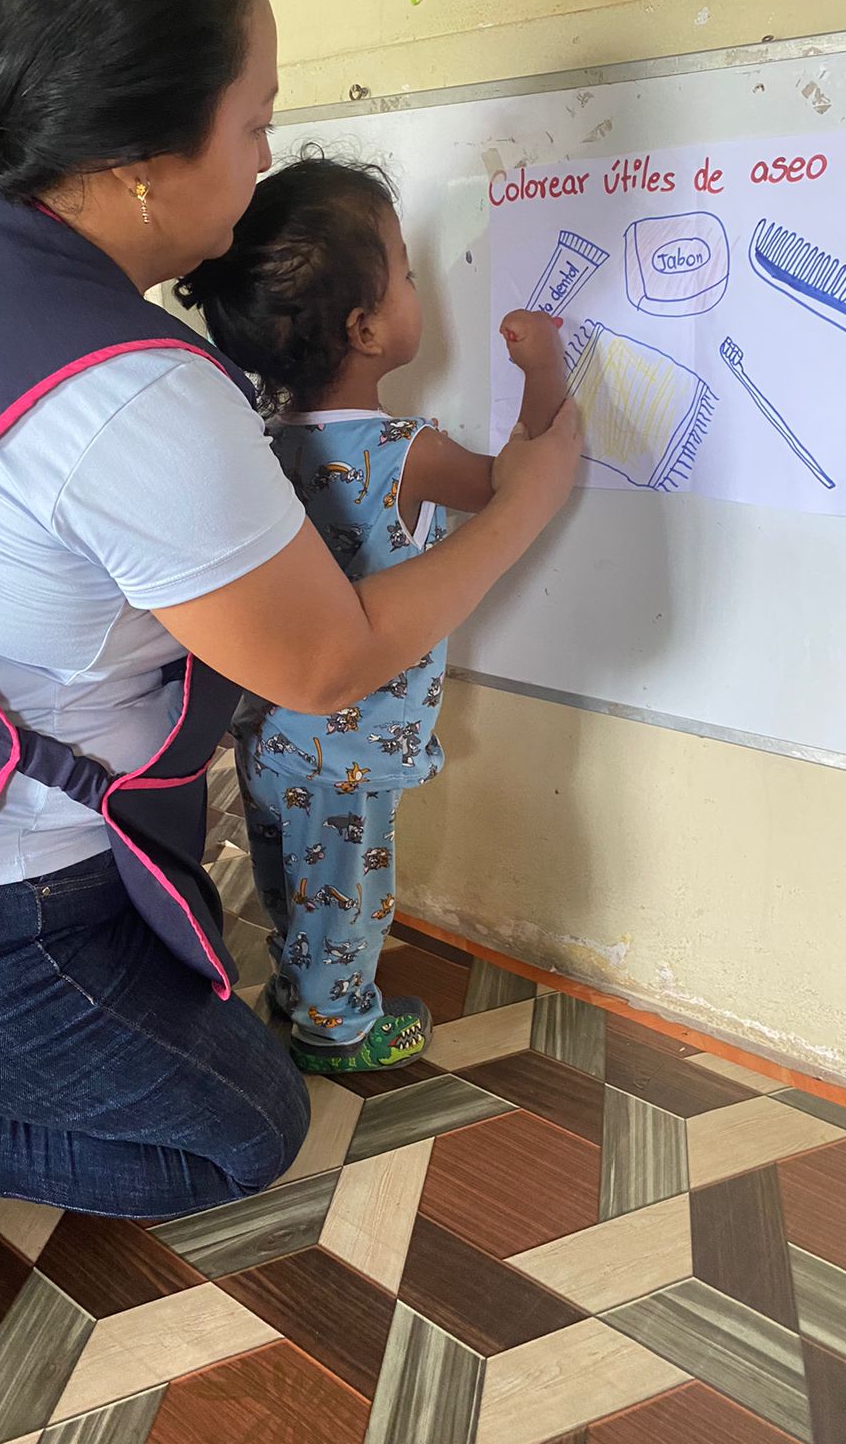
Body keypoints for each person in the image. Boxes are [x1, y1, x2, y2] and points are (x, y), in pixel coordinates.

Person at [0, 0, 581, 1340]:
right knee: (239, 1130)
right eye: (254, 123)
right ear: (137, 158)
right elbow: (327, 661)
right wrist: (535, 498)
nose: (263, 161)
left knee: (193, 1007)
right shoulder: (135, 395)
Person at [179, 156, 570, 1072]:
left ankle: (299, 992)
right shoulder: (405, 451)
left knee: (295, 882)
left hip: (273, 732)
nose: (417, 287)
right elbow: (516, 481)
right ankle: (338, 1033)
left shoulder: (258, 446)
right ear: (365, 329)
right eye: (407, 272)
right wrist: (544, 368)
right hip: (355, 745)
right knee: (347, 895)